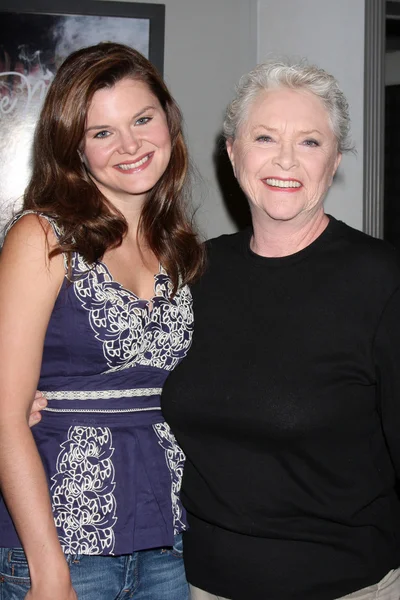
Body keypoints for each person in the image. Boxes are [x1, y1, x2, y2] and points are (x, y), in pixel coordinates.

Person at [159, 60, 400, 599]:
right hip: (201, 585)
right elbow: (128, 375)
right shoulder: (190, 272)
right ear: (233, 152)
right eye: (265, 137)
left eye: (310, 142)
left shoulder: (382, 281)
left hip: (347, 587)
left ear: (335, 160)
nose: (286, 159)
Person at [0, 42, 204, 600]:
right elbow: (5, 416)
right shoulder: (42, 236)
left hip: (168, 540)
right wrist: (49, 572)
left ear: (168, 119)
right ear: (74, 147)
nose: (131, 145)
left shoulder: (178, 245)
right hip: (60, 546)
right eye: (102, 132)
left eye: (142, 119)